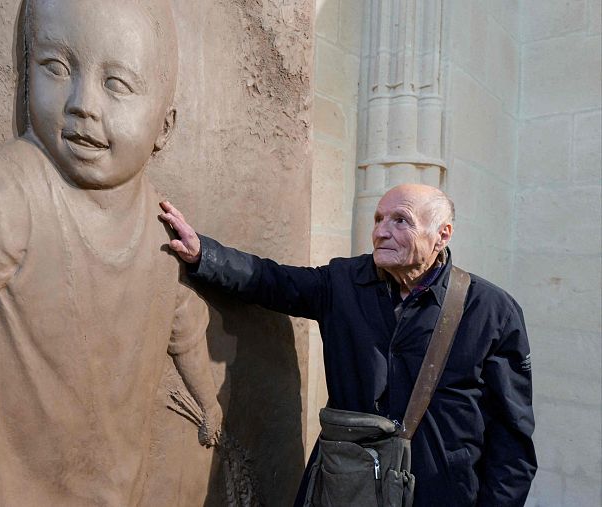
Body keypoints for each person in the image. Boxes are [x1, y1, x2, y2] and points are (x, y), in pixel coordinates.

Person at [0, 1, 222, 505]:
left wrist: (209, 402)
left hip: (115, 487)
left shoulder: (158, 232)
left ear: (164, 127)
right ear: (24, 77)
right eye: (55, 68)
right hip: (7, 490)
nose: (83, 103)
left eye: (117, 84)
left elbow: (181, 322)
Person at [159, 183, 537, 506]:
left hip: (441, 493)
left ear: (443, 234)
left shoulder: (492, 310)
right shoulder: (343, 281)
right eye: (378, 219)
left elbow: (511, 440)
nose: (381, 232)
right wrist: (203, 254)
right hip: (346, 486)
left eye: (400, 220)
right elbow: (271, 280)